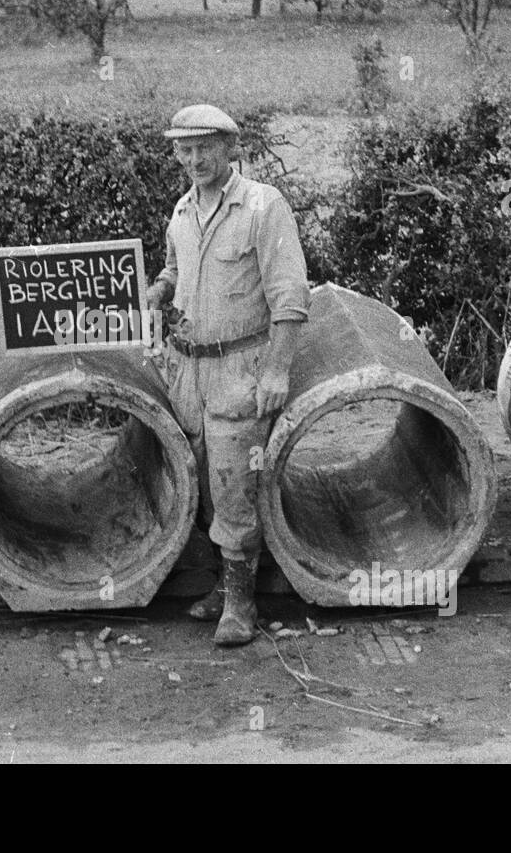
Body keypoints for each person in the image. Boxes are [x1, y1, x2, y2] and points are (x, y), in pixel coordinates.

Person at [146, 104, 310, 646]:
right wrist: (161, 289)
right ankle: (222, 583)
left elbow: (289, 296)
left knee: (235, 483)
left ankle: (242, 602)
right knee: (202, 478)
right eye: (184, 150)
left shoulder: (264, 206)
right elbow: (174, 267)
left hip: (241, 366)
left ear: (231, 148)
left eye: (205, 148)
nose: (194, 160)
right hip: (188, 369)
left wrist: (277, 370)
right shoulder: (181, 211)